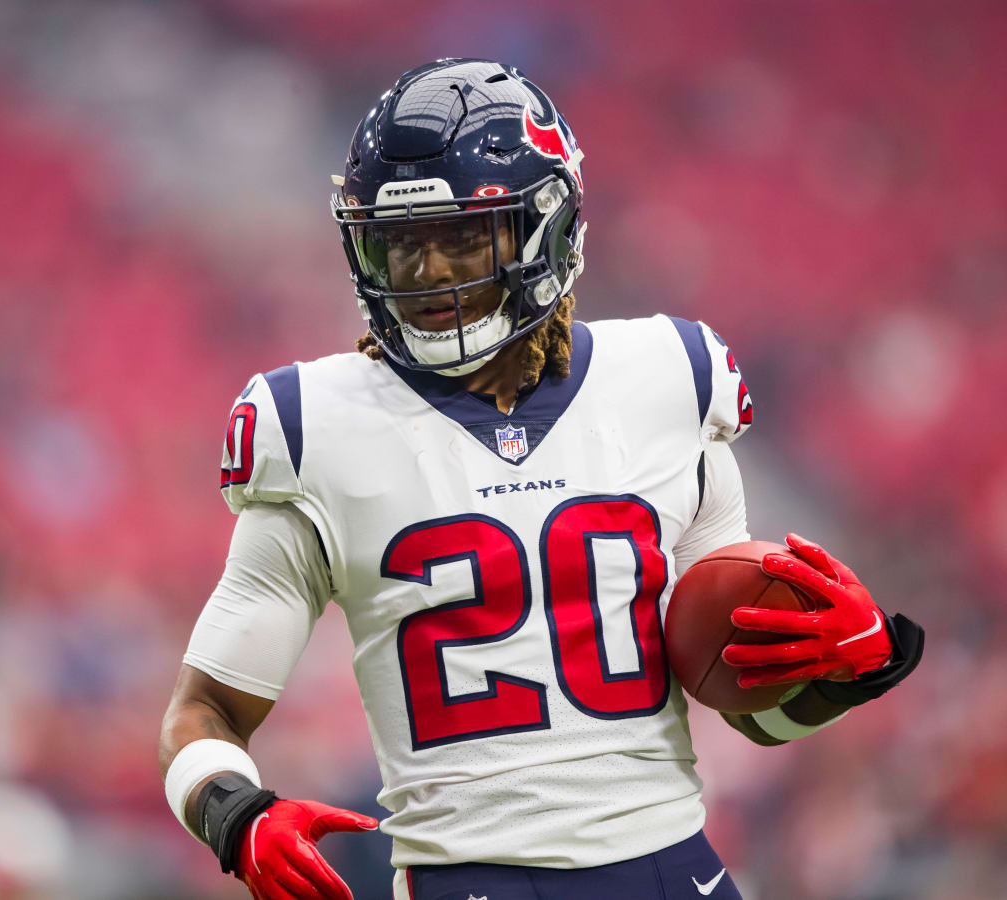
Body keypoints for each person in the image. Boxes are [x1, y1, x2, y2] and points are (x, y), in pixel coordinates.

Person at [158, 59, 924, 900]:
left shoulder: (667, 380)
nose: (429, 274)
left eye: (460, 237)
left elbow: (744, 702)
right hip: (468, 879)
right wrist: (234, 815)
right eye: (403, 243)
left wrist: (842, 671)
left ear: (547, 227)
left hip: (672, 870)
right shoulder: (315, 427)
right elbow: (203, 714)